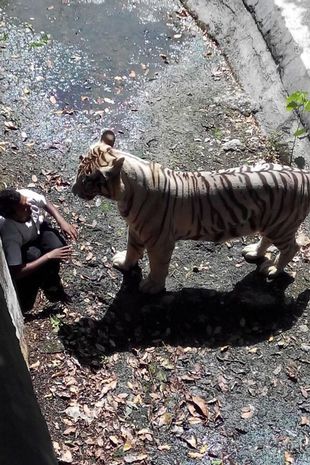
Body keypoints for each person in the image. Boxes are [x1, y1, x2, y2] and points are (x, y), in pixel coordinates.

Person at [0, 187, 78, 311]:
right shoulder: (10, 234)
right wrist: (48, 256)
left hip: (38, 229)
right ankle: (34, 291)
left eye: (27, 202)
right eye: (24, 208)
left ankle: (52, 286)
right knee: (34, 256)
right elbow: (16, 272)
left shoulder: (25, 197)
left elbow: (44, 202)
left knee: (57, 246)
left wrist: (61, 221)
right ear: (12, 216)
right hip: (25, 246)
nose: (30, 206)